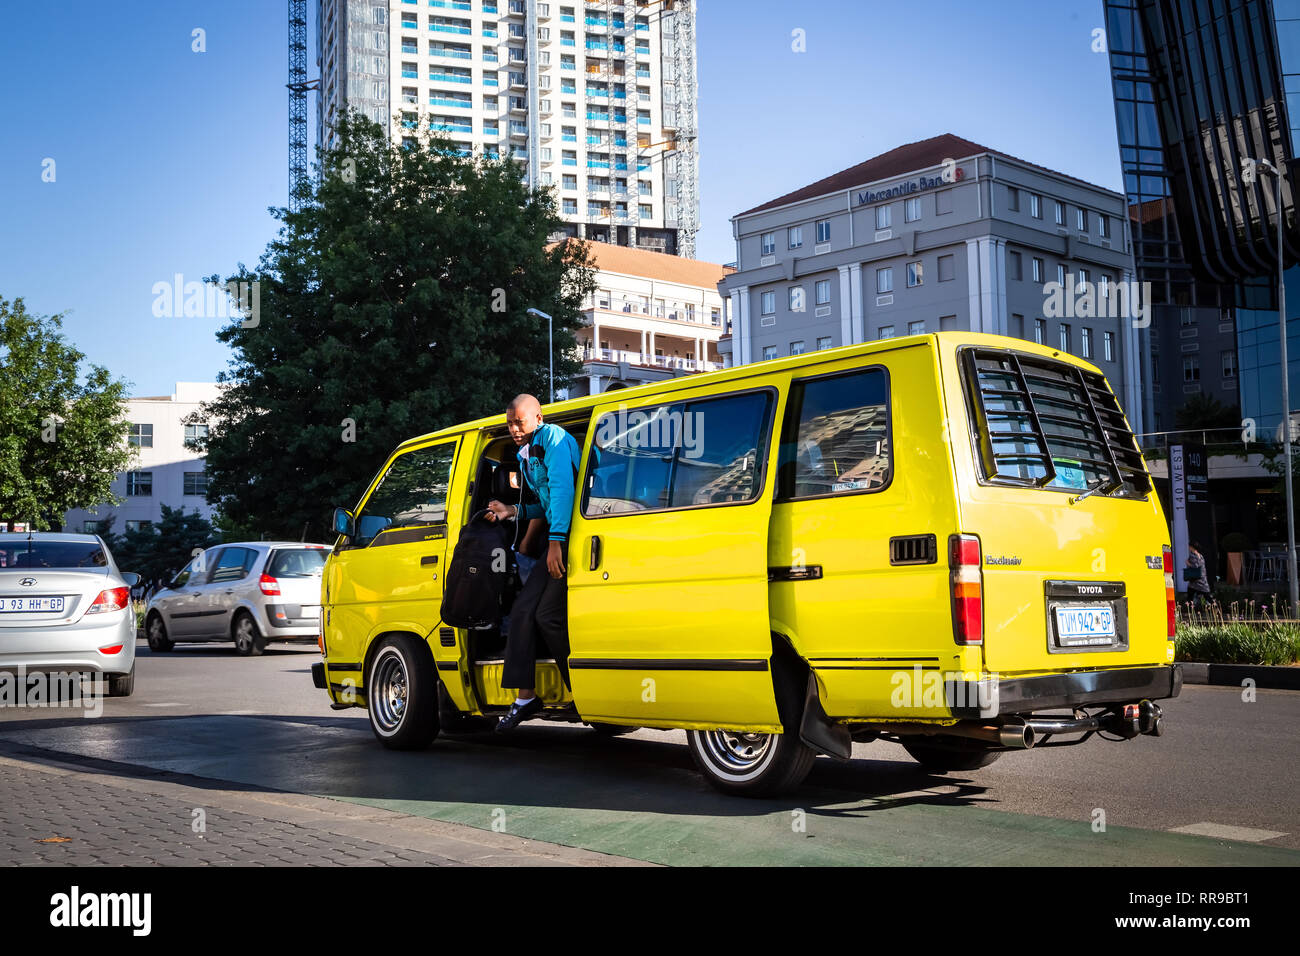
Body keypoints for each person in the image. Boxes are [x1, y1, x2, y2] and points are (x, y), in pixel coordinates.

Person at [485, 393, 581, 731]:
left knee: (547, 615)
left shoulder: (552, 438)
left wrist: (555, 543)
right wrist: (512, 511)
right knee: (525, 610)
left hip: (573, 537)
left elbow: (563, 492)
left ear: (538, 418)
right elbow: (544, 505)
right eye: (509, 423)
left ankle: (582, 689)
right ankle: (526, 697)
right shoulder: (526, 456)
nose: (513, 428)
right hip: (559, 535)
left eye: (519, 422)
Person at [1186, 541, 1212, 606]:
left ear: (1192, 547)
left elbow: (1195, 567)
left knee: (1190, 596)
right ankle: (1216, 609)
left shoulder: (1192, 555)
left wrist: (1188, 563)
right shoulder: (1200, 556)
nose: (1188, 547)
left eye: (1189, 546)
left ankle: (1189, 610)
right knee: (1207, 596)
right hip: (1202, 579)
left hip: (1195, 580)